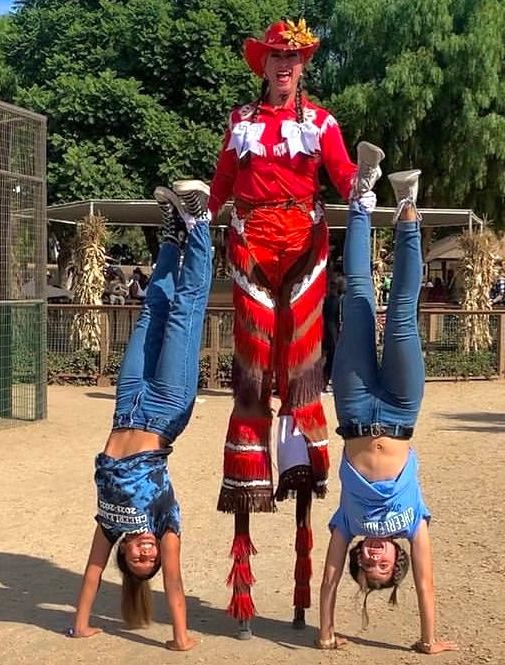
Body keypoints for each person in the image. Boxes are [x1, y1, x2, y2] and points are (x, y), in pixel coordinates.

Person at [207, 17, 365, 636]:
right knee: (251, 378)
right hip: (249, 241)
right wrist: (202, 211)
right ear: (263, 64)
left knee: (300, 380)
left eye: (293, 58)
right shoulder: (240, 122)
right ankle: (241, 590)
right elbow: (223, 181)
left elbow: (344, 176)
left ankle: (301, 586)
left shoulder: (320, 123)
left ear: (303, 68)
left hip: (303, 244)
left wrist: (365, 184)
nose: (284, 66)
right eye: (276, 57)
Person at [317, 155, 457, 655]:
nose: (374, 557)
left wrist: (327, 630)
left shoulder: (346, 526)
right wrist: (428, 639)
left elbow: (329, 578)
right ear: (394, 558)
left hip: (353, 409)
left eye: (367, 562)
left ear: (359, 556)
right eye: (382, 564)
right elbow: (426, 586)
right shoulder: (413, 523)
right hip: (399, 410)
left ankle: (361, 195)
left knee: (356, 297)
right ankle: (407, 203)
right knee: (400, 312)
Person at [68, 183, 212, 651]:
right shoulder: (165, 527)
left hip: (126, 405)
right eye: (150, 558)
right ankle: (201, 223)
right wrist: (181, 638)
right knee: (183, 315)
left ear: (125, 557)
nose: (147, 553)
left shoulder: (110, 527)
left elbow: (92, 573)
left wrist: (81, 624)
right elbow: (173, 585)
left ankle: (170, 238)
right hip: (165, 412)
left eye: (138, 559)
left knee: (150, 313)